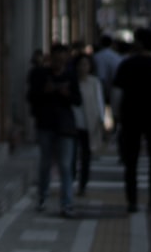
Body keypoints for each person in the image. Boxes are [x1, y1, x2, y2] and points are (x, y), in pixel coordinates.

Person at [111, 31, 151, 213]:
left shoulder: (127, 65)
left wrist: (116, 116)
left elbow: (116, 94)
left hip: (130, 115)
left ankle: (132, 200)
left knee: (131, 160)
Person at [28, 42, 76, 216]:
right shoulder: (40, 75)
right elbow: (31, 98)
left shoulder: (71, 76)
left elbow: (77, 100)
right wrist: (44, 92)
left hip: (65, 127)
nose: (59, 64)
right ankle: (42, 197)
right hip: (45, 124)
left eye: (62, 61)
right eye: (56, 60)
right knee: (45, 163)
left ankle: (67, 203)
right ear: (51, 59)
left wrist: (67, 94)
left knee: (65, 165)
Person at [68, 52, 106, 198]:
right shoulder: (72, 82)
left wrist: (102, 120)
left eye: (86, 64)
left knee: (86, 156)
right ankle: (70, 182)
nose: (83, 67)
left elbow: (99, 102)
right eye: (80, 64)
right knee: (71, 156)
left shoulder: (94, 82)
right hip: (73, 124)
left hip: (90, 124)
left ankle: (83, 184)